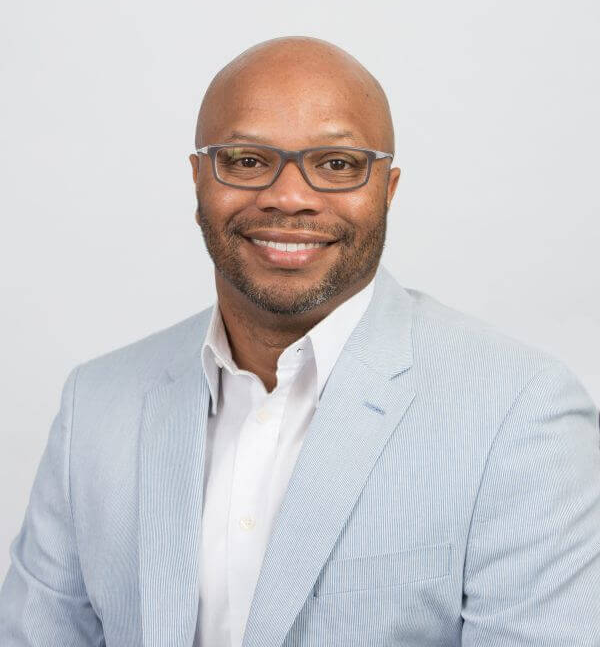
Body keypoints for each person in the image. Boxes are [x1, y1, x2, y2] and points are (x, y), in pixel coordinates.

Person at [1, 36, 599, 647]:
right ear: (198, 178)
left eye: (337, 164)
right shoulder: (96, 404)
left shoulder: (521, 410)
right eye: (246, 160)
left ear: (388, 189)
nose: (288, 197)